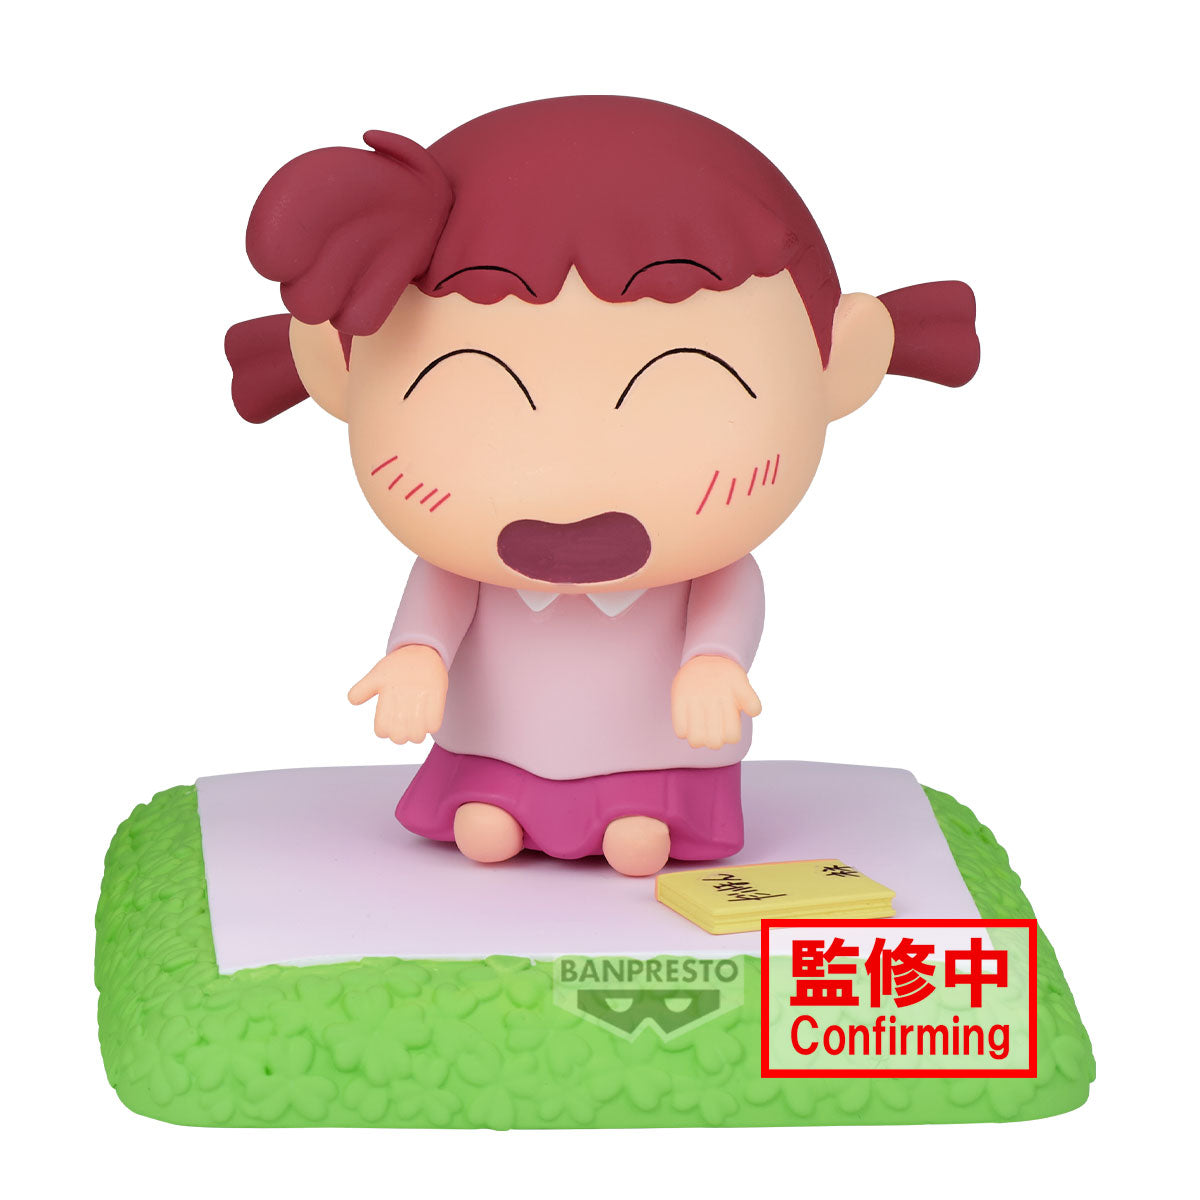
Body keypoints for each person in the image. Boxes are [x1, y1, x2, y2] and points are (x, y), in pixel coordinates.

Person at [225, 95, 978, 876]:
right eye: (473, 390)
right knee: (485, 827)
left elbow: (729, 603)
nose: (568, 478)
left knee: (638, 838)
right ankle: (498, 799)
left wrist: (714, 661)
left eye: (682, 390)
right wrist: (417, 654)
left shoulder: (707, 566)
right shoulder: (459, 565)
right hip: (496, 742)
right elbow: (438, 602)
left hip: (654, 748)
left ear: (840, 367)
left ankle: (643, 809)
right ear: (337, 372)